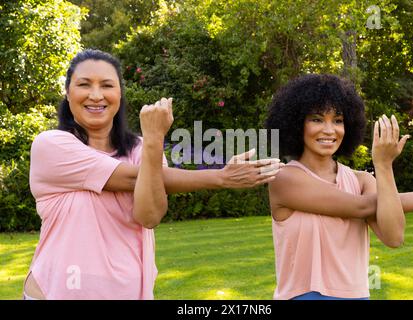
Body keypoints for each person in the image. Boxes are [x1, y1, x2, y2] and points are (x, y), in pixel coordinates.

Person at [24, 49, 283, 300]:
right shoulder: (52, 145)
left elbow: (149, 215)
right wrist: (221, 177)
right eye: (84, 85)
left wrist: (153, 140)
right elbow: (135, 178)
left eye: (106, 85)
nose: (95, 95)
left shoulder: (142, 149)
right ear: (68, 93)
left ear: (119, 94)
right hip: (57, 291)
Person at [265, 74, 413, 300]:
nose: (329, 129)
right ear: (296, 123)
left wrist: (383, 166)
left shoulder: (362, 181)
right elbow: (362, 207)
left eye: (338, 120)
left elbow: (394, 238)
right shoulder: (284, 179)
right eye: (316, 119)